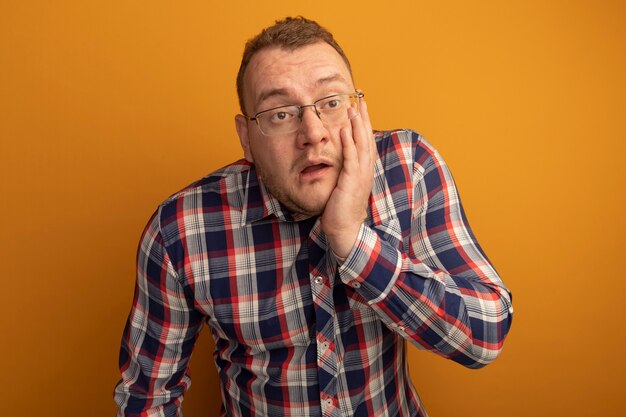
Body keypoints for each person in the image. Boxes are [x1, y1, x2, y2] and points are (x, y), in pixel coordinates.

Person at [114, 16, 513, 417]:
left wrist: (353, 241)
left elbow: (485, 336)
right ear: (246, 138)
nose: (314, 132)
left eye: (332, 102)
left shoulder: (408, 169)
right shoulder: (181, 231)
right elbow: (147, 400)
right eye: (280, 113)